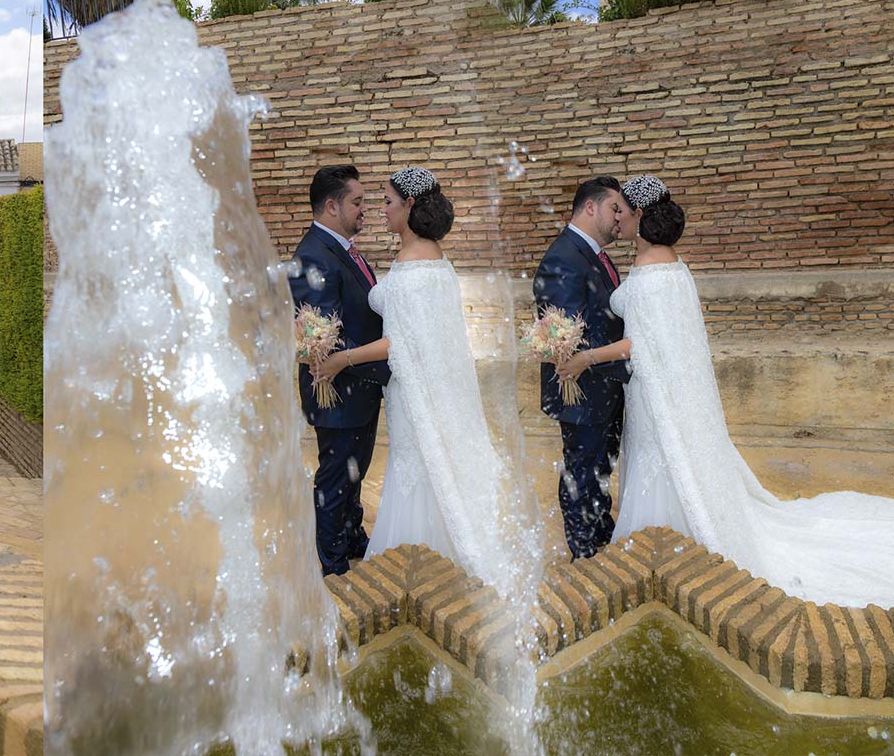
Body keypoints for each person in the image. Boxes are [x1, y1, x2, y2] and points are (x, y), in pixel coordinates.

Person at [559, 177, 894, 607]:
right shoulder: (672, 263)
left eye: (623, 209)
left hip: (655, 392)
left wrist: (585, 357)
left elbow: (638, 344)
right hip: (663, 387)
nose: (617, 217)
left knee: (662, 463)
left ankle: (668, 546)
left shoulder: (648, 271)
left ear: (640, 215)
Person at [311, 168, 525, 585]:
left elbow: (400, 343)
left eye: (388, 202)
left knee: (415, 463)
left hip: (412, 391)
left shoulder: (412, 266)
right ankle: (436, 546)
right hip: (426, 386)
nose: (381, 211)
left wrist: (341, 359)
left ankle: (412, 558)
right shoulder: (434, 256)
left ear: (409, 205)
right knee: (427, 464)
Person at [288, 165, 390, 576]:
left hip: (358, 386)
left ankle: (350, 536)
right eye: (357, 202)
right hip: (337, 389)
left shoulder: (342, 247)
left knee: (354, 469)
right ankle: (332, 563)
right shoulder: (313, 255)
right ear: (332, 206)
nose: (364, 210)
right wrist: (371, 353)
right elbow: (321, 336)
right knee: (335, 475)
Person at [533, 176, 632, 560]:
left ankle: (599, 525)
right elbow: (561, 334)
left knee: (600, 467)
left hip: (604, 385)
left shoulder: (595, 255)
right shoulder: (563, 258)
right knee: (580, 469)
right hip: (582, 390)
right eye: (614, 209)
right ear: (590, 208)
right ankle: (582, 546)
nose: (619, 218)